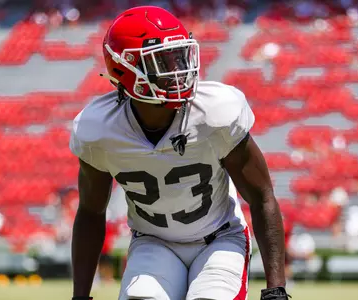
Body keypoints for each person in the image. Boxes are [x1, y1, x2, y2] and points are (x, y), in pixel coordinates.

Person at [69, 6, 289, 300]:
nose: (179, 69)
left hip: (220, 239)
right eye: (164, 60)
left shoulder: (215, 111)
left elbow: (262, 197)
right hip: (153, 242)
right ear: (125, 68)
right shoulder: (99, 129)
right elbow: (90, 212)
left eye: (179, 56)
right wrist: (80, 295)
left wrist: (276, 288)